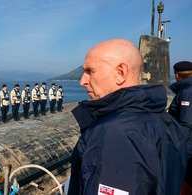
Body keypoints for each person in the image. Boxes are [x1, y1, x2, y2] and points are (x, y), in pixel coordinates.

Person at [68, 39, 188, 195]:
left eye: (90, 71)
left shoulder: (115, 134)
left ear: (121, 73)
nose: (82, 82)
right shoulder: (167, 122)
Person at [169, 61, 192, 189]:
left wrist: (181, 152)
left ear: (177, 75)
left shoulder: (187, 92)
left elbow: (186, 124)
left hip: (186, 148)